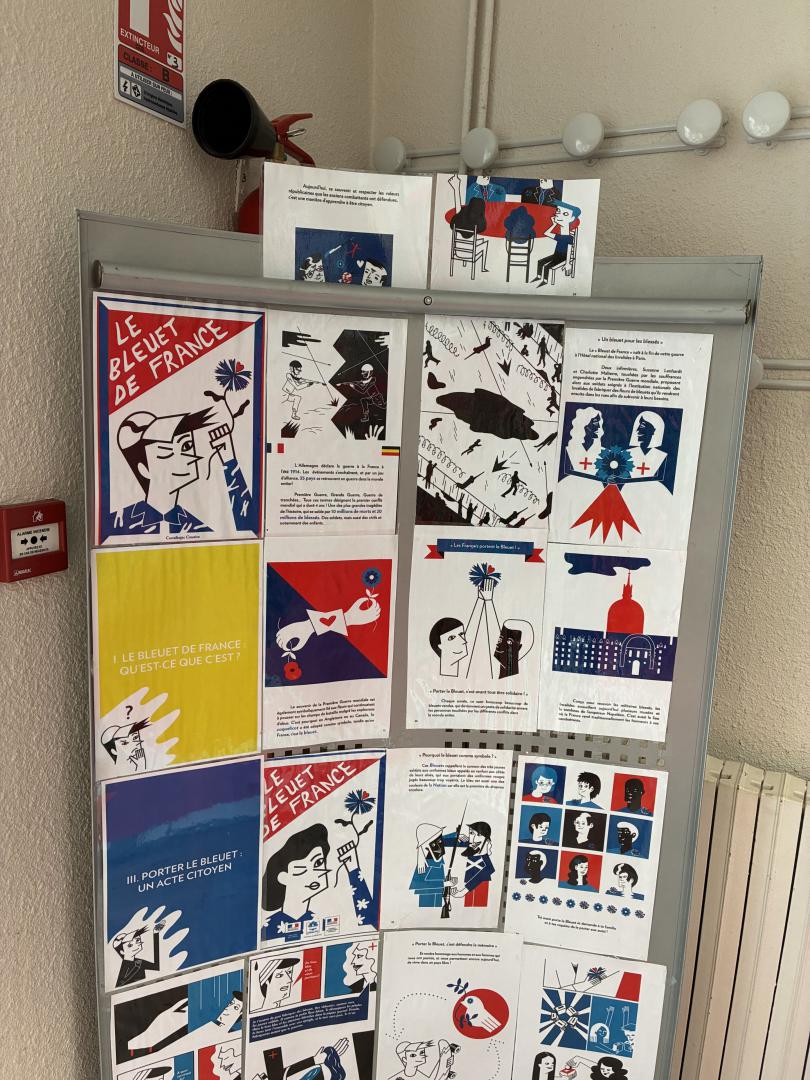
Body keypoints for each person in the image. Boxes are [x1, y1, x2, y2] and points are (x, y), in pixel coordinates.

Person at [108, 400, 254, 536]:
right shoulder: (116, 525)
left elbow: (248, 531)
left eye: (186, 446)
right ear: (144, 470)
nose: (189, 458)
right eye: (167, 453)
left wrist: (229, 460)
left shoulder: (198, 527)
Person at [261, 823, 373, 943]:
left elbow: (369, 926)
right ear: (283, 877)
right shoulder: (269, 928)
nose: (314, 874)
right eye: (301, 869)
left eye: (318, 862)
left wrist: (353, 869)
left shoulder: (323, 924)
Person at [533, 202, 581, 287]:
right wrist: (553, 224)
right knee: (540, 262)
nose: (558, 215)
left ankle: (545, 281)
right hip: (556, 255)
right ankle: (538, 276)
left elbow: (569, 251)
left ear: (572, 218)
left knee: (547, 267)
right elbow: (546, 233)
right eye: (558, 211)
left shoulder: (569, 238)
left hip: (563, 257)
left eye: (565, 214)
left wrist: (567, 263)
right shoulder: (559, 236)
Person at [453, 821, 495, 906]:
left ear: (487, 841)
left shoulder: (484, 858)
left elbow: (490, 869)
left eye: (478, 835)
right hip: (467, 883)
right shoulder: (471, 848)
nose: (473, 839)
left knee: (476, 905)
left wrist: (463, 891)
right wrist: (456, 836)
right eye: (471, 833)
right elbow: (443, 841)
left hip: (480, 886)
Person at [112, 921, 164, 987]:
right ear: (122, 952)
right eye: (130, 945)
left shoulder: (139, 962)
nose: (137, 943)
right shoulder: (125, 969)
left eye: (137, 940)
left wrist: (156, 934)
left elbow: (156, 966)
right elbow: (120, 987)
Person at [627, 411, 667, 478]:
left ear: (653, 430)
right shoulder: (627, 453)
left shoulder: (661, 456)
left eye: (642, 426)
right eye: (638, 425)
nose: (637, 430)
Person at [389, 1040, 456, 1080]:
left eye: (421, 1052)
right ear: (405, 1059)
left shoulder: (418, 1074)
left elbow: (432, 1078)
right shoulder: (398, 1077)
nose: (421, 1056)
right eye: (413, 1055)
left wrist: (442, 1061)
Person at [564, 407, 603, 474]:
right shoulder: (569, 450)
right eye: (595, 422)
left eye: (599, 422)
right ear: (585, 425)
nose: (599, 426)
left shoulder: (603, 452)